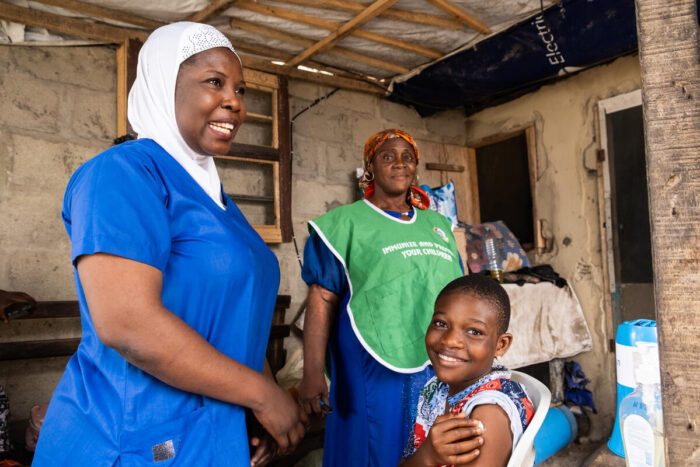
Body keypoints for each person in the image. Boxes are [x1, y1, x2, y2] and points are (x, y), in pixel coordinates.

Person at [33, 22, 305, 466]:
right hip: (133, 438)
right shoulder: (122, 173)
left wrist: (255, 405)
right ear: (164, 84)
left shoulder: (216, 199)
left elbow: (235, 317)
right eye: (214, 82)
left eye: (240, 90)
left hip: (210, 432)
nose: (234, 102)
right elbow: (127, 323)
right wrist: (262, 395)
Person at [298, 129, 464, 466]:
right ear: (370, 168)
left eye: (407, 156)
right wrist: (313, 372)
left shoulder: (438, 225)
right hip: (370, 364)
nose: (399, 163)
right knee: (373, 446)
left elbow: (460, 293)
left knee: (430, 446)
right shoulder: (344, 224)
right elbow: (322, 299)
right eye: (388, 156)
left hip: (436, 363)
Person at [401, 274, 534, 467]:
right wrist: (426, 455)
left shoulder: (488, 413)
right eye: (441, 323)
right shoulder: (436, 389)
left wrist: (426, 458)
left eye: (474, 332)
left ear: (500, 345)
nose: (450, 340)